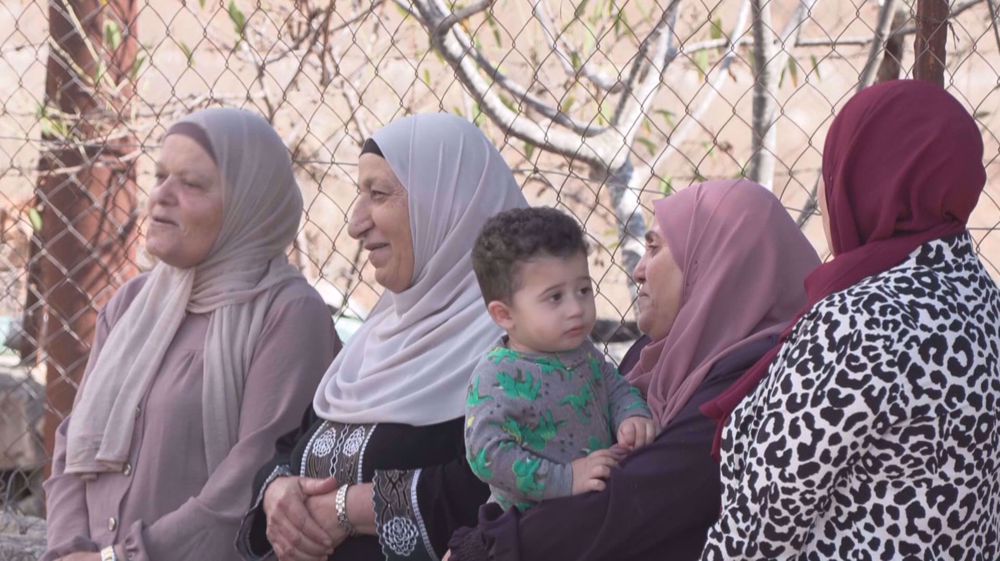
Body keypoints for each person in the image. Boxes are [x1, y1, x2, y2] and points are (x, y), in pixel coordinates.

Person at [700, 80, 1000, 560]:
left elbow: (765, 518)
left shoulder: (858, 322)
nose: (824, 191)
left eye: (833, 168)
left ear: (869, 178)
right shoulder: (984, 300)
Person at [445, 179, 821, 561]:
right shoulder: (662, 352)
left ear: (716, 260)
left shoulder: (748, 381)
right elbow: (489, 451)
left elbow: (625, 506)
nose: (639, 270)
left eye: (655, 247)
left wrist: (485, 550)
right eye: (554, 297)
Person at [41, 108, 340, 561]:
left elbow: (250, 481)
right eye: (160, 175)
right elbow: (72, 442)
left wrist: (122, 558)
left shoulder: (288, 314)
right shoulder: (132, 304)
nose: (161, 195)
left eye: (191, 183)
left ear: (248, 203)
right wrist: (67, 549)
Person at [236, 113, 529, 561]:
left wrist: (348, 507)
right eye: (360, 195)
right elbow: (290, 450)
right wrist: (277, 492)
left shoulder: (522, 355)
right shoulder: (379, 336)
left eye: (379, 195)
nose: (355, 224)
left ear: (447, 206)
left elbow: (490, 489)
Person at [465, 207, 655, 512]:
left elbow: (613, 387)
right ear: (505, 314)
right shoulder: (497, 376)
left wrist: (631, 416)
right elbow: (486, 454)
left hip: (596, 506)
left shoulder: (581, 349)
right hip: (527, 527)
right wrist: (565, 479)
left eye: (583, 290)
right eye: (555, 297)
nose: (576, 308)